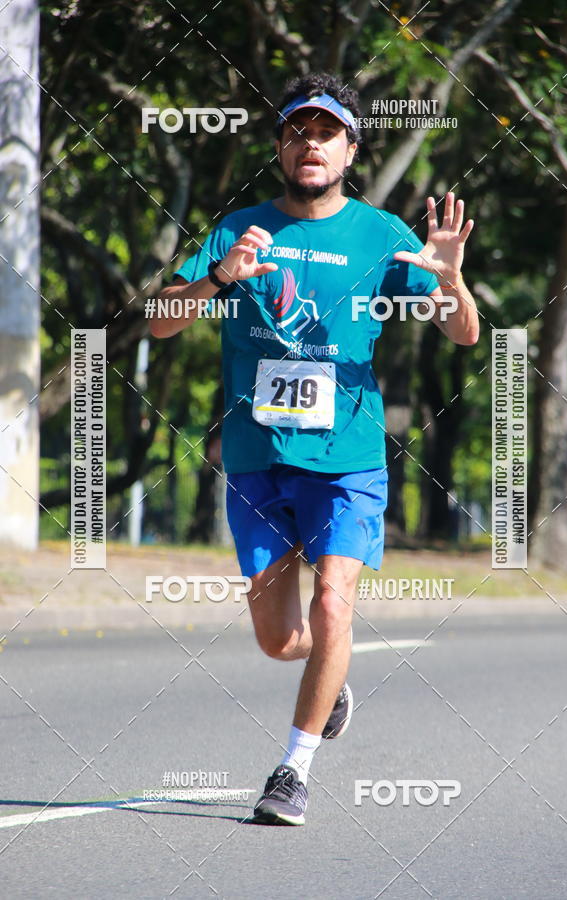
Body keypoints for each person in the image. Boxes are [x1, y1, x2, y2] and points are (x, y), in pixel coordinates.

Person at [150, 72, 479, 826]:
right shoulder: (236, 229)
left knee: (336, 600)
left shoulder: (382, 235)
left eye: (327, 132)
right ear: (280, 145)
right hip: (257, 459)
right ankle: (329, 685)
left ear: (350, 149)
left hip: (349, 459)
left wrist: (454, 280)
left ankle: (292, 769)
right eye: (298, 130)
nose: (311, 143)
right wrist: (219, 280)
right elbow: (160, 325)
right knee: (278, 640)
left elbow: (463, 333)